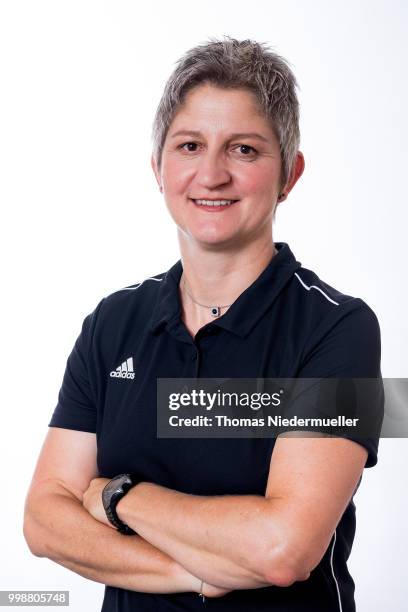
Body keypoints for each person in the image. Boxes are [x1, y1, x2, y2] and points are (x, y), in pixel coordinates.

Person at [23, 37, 383, 611]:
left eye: (243, 150)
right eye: (190, 145)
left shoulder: (339, 329)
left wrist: (118, 497)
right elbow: (44, 520)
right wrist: (189, 573)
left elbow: (284, 550)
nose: (211, 174)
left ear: (290, 173)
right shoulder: (112, 324)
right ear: (158, 168)